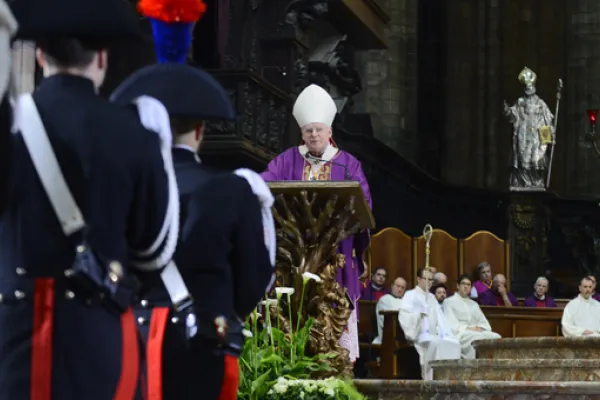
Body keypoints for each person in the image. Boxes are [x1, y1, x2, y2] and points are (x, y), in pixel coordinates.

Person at [0, 0, 178, 398]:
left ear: (41, 55)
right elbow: (153, 252)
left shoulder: (10, 127)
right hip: (100, 339)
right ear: (103, 57)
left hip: (13, 339)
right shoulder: (136, 134)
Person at [110, 7, 275, 399]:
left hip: (131, 341)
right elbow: (254, 283)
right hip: (205, 343)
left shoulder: (124, 186)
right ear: (200, 130)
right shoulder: (235, 190)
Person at [260, 83, 372, 363]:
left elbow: (364, 202)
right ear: (302, 133)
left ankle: (336, 360)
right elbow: (265, 181)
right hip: (294, 252)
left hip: (334, 251)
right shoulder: (287, 160)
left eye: (318, 130)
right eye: (308, 130)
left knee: (330, 311)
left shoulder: (348, 164)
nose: (313, 135)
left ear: (329, 132)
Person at [398, 267, 460, 380]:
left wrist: (446, 333)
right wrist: (419, 314)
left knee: (453, 343)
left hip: (433, 334)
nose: (429, 282)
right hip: (419, 335)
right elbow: (404, 316)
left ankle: (449, 381)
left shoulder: (432, 297)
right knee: (435, 343)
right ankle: (431, 379)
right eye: (426, 279)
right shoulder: (410, 295)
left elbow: (440, 319)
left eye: (431, 280)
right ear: (418, 279)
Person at [443, 274, 501, 359]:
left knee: (496, 337)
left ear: (471, 288)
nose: (466, 287)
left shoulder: (474, 304)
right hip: (462, 334)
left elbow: (484, 322)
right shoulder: (449, 302)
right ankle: (475, 367)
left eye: (468, 285)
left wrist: (480, 328)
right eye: (463, 284)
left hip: (477, 332)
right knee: (476, 339)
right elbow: (451, 324)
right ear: (458, 286)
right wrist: (469, 328)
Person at [372, 277, 406, 344]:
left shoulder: (406, 301)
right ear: (392, 286)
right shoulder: (385, 299)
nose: (400, 289)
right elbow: (390, 320)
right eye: (398, 286)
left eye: (402, 287)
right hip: (387, 337)